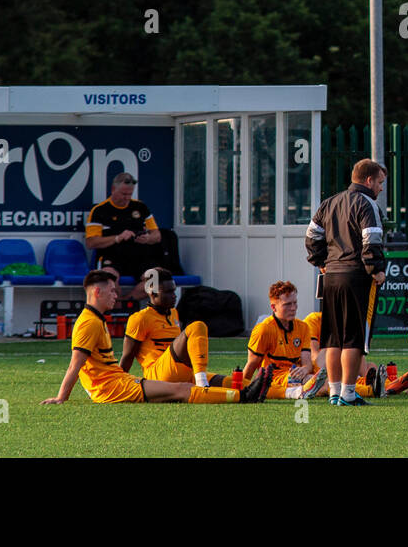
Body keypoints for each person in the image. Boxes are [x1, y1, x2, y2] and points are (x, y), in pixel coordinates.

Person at [42, 270, 268, 405]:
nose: (116, 294)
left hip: (118, 381)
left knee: (181, 387)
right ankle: (242, 396)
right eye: (112, 290)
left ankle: (263, 391)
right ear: (97, 292)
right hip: (111, 388)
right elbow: (76, 364)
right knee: (180, 390)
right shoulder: (89, 322)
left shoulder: (97, 319)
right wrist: (62, 396)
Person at [305, 158, 388, 406]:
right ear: (369, 180)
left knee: (332, 337)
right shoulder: (367, 203)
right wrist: (376, 270)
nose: (381, 189)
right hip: (356, 276)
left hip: (330, 276)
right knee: (353, 337)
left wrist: (321, 260)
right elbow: (370, 241)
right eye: (380, 183)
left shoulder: (329, 202)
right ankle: (349, 394)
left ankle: (334, 392)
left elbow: (311, 238)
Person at [119, 267, 220, 387]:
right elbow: (127, 356)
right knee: (197, 326)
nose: (174, 296)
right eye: (168, 292)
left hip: (179, 370)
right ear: (153, 293)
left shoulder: (173, 313)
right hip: (158, 375)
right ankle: (202, 383)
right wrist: (118, 383)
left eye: (174, 291)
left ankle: (202, 380)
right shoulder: (140, 319)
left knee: (236, 383)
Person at [86, 172, 165, 300]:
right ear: (113, 190)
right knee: (108, 279)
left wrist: (147, 239)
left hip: (140, 257)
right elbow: (91, 242)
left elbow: (157, 235)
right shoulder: (99, 211)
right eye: (123, 194)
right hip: (112, 257)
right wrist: (117, 238)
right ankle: (117, 307)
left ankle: (125, 303)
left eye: (130, 194)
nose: (127, 198)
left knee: (157, 280)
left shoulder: (141, 207)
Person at [243, 280, 326, 400]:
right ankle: (302, 390)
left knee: (326, 378)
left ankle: (308, 388)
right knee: (323, 385)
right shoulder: (264, 329)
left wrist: (304, 369)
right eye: (287, 304)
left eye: (295, 303)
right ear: (273, 307)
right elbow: (251, 364)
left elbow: (307, 361)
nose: (293, 308)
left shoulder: (303, 327)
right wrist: (241, 388)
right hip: (275, 377)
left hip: (298, 374)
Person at [304, 309, 408, 396]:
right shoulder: (314, 319)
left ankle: (383, 385)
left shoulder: (350, 320)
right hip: (322, 369)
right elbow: (314, 357)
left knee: (370, 365)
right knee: (337, 351)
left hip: (342, 367)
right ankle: (376, 389)